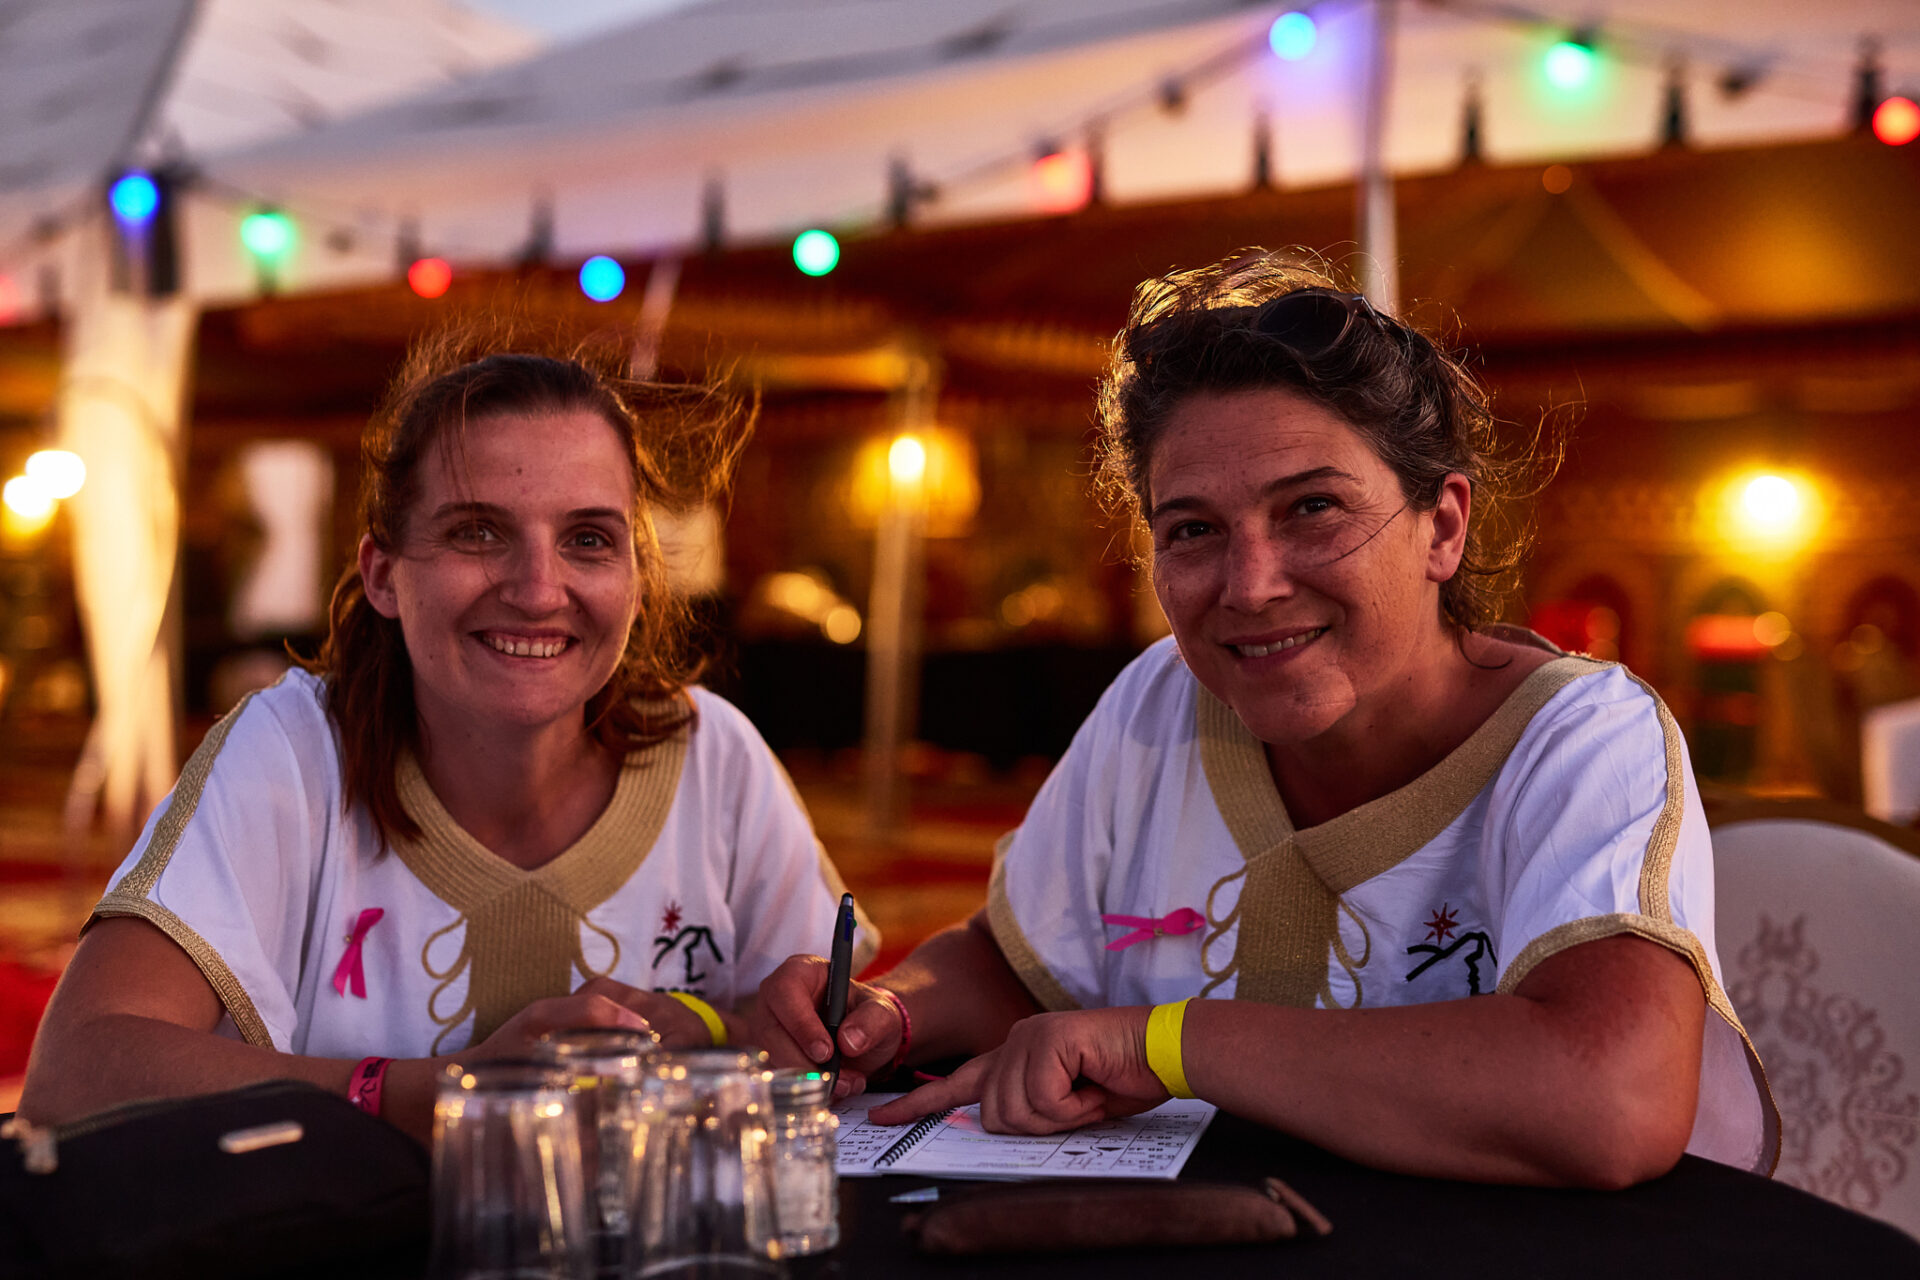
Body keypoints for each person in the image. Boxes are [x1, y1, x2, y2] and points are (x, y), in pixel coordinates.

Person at [756, 252, 1777, 1188]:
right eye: (1193, 529)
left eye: (1312, 508)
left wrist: (1168, 1042)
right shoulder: (1161, 701)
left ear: (1443, 526)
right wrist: (892, 1012)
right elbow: (1016, 962)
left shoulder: (1579, 739)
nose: (1249, 585)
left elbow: (1610, 1098)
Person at [22, 328, 875, 1141]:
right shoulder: (294, 755)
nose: (538, 590)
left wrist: (723, 1029)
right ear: (383, 575)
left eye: (587, 540)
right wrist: (428, 1093)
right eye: (478, 532)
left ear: (639, 582)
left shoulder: (711, 755)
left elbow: (812, 1043)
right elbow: (77, 1068)